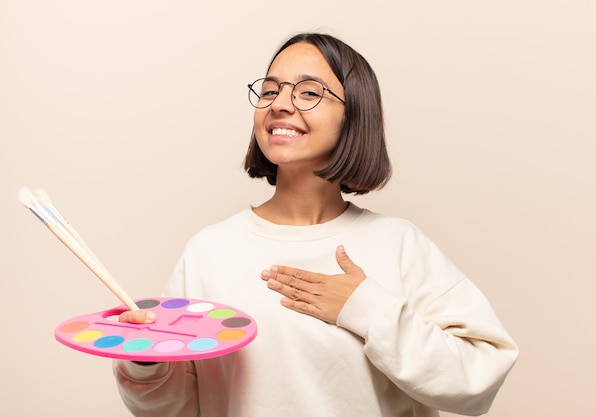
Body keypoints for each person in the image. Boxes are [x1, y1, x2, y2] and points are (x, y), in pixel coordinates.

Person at [114, 32, 518, 417]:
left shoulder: (398, 244)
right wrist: (146, 360)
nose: (280, 104)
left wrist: (367, 310)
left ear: (354, 116)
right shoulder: (208, 251)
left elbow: (480, 381)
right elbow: (176, 408)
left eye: (308, 92)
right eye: (271, 90)